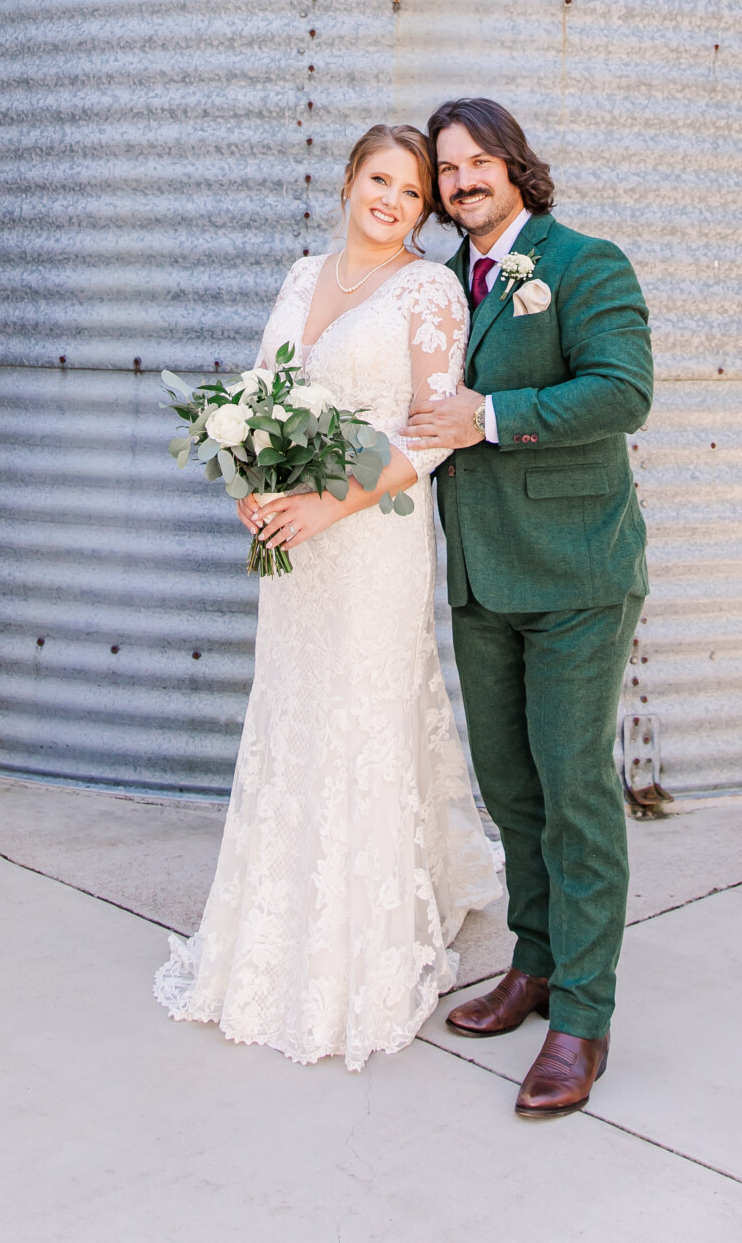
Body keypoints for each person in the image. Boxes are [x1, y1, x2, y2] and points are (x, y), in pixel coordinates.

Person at [154, 122, 500, 1071]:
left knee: (359, 715)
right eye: (381, 180)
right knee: (294, 710)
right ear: (349, 180)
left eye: (414, 194)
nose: (393, 201)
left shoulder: (427, 291)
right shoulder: (304, 276)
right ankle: (278, 910)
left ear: (425, 214)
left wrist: (326, 505)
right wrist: (252, 487)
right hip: (292, 544)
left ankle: (360, 937)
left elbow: (434, 433)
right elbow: (264, 396)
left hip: (369, 539)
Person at [402, 98, 653, 1121]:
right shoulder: (437, 285)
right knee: (512, 792)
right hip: (479, 578)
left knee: (575, 791)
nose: (460, 182)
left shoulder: (587, 263)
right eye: (445, 170)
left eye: (475, 162)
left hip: (576, 575)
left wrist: (491, 415)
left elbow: (622, 391)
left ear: (514, 164)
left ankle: (583, 1019)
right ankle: (535, 963)